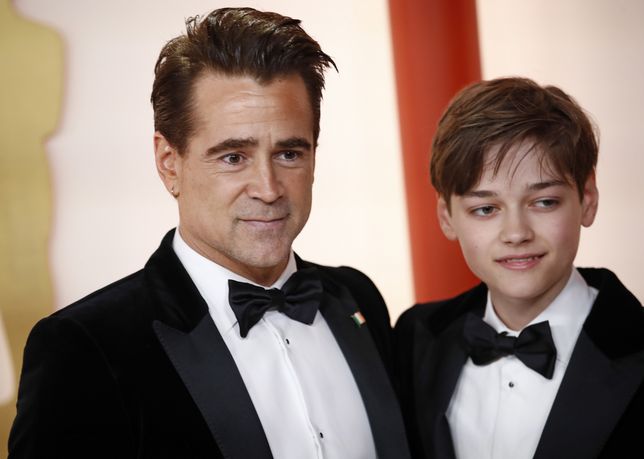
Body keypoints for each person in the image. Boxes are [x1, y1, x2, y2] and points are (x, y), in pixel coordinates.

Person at [9, 8, 409, 459]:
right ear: (168, 162)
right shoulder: (84, 348)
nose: (268, 188)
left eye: (289, 153)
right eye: (233, 157)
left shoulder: (356, 298)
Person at [395, 77, 644, 459]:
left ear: (588, 199)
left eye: (544, 202)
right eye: (485, 209)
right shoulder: (416, 339)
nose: (516, 233)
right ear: (447, 217)